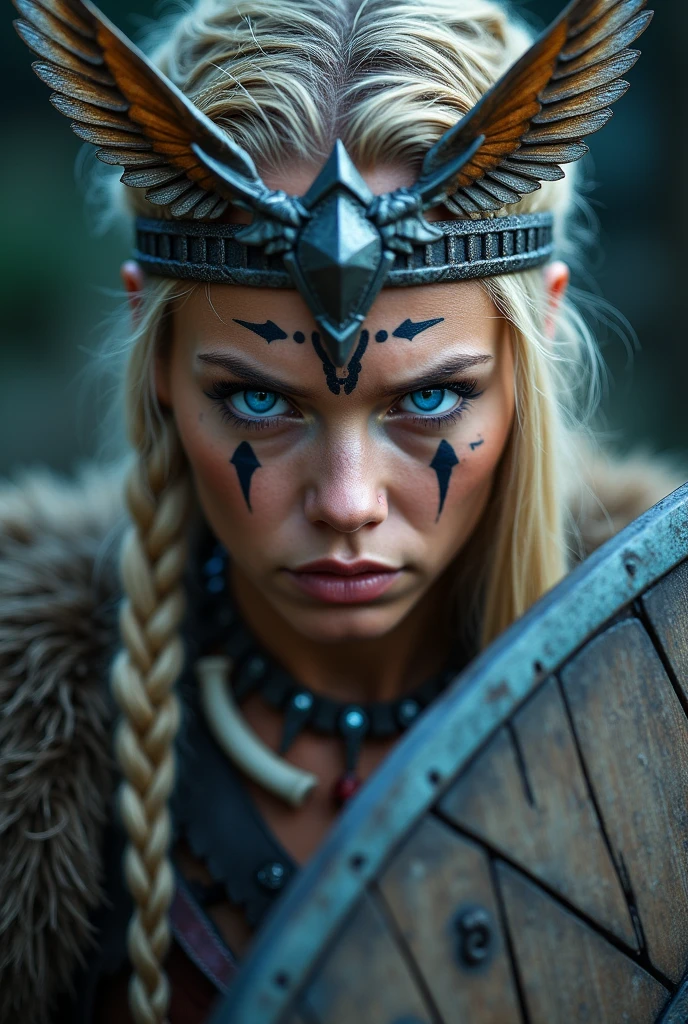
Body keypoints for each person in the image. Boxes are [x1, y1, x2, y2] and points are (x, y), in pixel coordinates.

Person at [3, 0, 677, 1021]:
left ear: (535, 326)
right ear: (158, 346)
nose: (347, 503)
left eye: (427, 398)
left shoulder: (674, 674)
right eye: (260, 401)